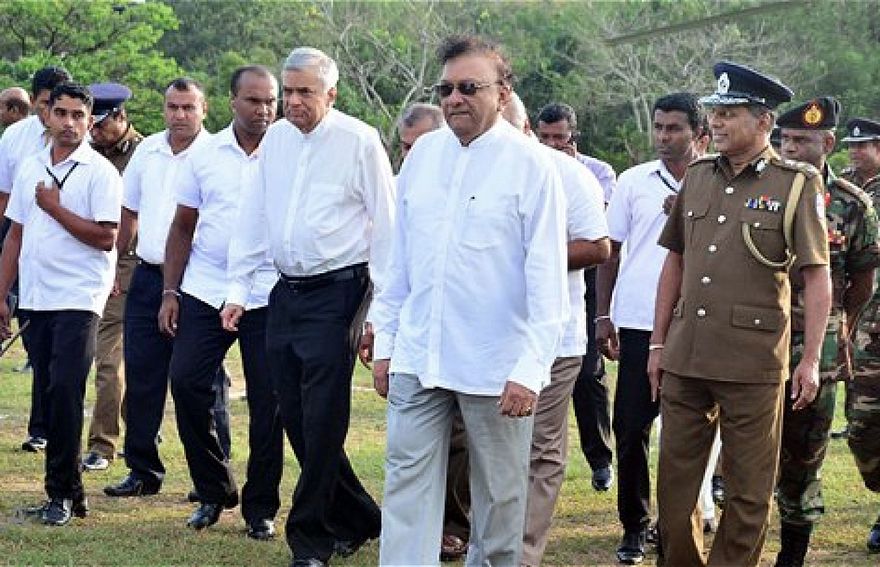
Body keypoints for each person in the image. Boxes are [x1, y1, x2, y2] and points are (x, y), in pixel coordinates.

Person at [371, 35, 568, 566]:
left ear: (502, 93)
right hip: (419, 356)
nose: (454, 98)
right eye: (446, 89)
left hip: (496, 366)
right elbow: (399, 263)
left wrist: (529, 370)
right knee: (405, 486)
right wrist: (386, 342)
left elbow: (547, 282)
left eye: (469, 87)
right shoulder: (422, 157)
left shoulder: (532, 166)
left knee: (500, 502)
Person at [648, 61, 831, 566]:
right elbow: (675, 262)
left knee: (748, 495)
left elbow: (817, 277)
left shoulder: (796, 184)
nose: (717, 122)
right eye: (715, 113)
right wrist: (658, 343)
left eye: (730, 114)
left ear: (764, 121)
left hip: (754, 363)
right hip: (686, 356)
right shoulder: (698, 175)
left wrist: (810, 359)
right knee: (674, 492)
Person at [221, 47, 392, 567]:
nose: (292, 102)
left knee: (322, 418)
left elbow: (388, 230)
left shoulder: (359, 141)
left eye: (305, 93)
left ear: (331, 94)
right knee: (293, 415)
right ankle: (360, 515)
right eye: (288, 91)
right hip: (284, 292)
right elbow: (255, 214)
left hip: (339, 293)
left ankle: (310, 537)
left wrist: (381, 315)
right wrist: (237, 288)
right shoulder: (276, 140)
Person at [160, 65, 284, 539]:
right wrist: (170, 291)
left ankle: (261, 507)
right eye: (254, 100)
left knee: (269, 401)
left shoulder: (289, 152)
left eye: (270, 100)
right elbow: (182, 227)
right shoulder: (204, 154)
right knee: (186, 382)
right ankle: (213, 489)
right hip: (206, 287)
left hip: (268, 292)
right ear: (232, 102)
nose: (264, 109)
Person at [0, 82, 122, 525]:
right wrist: (2, 294)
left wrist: (53, 208)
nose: (69, 123)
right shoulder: (31, 164)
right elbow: (15, 234)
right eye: (62, 113)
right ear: (47, 115)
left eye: (78, 116)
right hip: (36, 295)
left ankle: (60, 495)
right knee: (51, 393)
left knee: (66, 391)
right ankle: (71, 491)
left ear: (90, 122)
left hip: (79, 296)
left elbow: (107, 237)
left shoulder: (100, 172)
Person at [597, 92, 707, 565]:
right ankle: (634, 524)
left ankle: (680, 524)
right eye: (659, 127)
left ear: (699, 134)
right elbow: (610, 252)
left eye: (674, 128)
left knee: (691, 433)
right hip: (641, 323)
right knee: (630, 428)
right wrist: (603, 315)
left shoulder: (717, 181)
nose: (664, 136)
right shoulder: (633, 181)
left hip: (699, 324)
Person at [501, 92, 611, 567]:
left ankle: (520, 556)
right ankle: (485, 542)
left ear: (524, 128)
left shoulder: (568, 174)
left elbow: (599, 247)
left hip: (552, 337)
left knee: (538, 448)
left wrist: (527, 258)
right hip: (483, 336)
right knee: (493, 448)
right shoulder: (466, 170)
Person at [772, 97, 880, 566]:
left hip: (816, 351)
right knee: (749, 455)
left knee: (804, 455)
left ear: (827, 144)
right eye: (786, 139)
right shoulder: (763, 189)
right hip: (756, 344)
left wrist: (838, 327)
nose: (791, 148)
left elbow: (862, 281)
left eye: (802, 140)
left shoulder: (851, 204)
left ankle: (792, 555)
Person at [104, 78, 218, 498]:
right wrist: (114, 264)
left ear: (204, 109)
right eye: (173, 107)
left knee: (202, 381)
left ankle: (212, 475)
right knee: (142, 374)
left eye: (189, 107)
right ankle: (142, 470)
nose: (180, 115)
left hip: (201, 279)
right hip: (149, 274)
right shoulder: (148, 151)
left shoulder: (217, 154)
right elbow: (128, 213)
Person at [536, 101, 617, 492]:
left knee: (587, 373)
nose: (552, 144)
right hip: (538, 284)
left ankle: (600, 458)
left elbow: (596, 227)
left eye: (560, 137)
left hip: (583, 281)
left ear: (574, 136)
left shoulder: (596, 172)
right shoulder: (527, 166)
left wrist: (569, 172)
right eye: (545, 137)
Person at [0, 66, 73, 453]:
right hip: (20, 244)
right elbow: (4, 200)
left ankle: (46, 428)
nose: (55, 115)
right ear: (34, 102)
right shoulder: (15, 138)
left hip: (67, 257)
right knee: (34, 342)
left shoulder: (81, 141)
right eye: (47, 105)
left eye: (62, 106)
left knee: (57, 349)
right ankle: (41, 426)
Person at [80, 82, 144, 472]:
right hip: (96, 264)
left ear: (120, 117)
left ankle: (107, 444)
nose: (94, 131)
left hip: (134, 267)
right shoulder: (87, 155)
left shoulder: (146, 155)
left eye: (100, 124)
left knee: (114, 359)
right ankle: (125, 435)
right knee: (113, 359)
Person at [841, 118, 880, 189]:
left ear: (878, 148)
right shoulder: (846, 178)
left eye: (861, 146)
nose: (854, 151)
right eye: (852, 145)